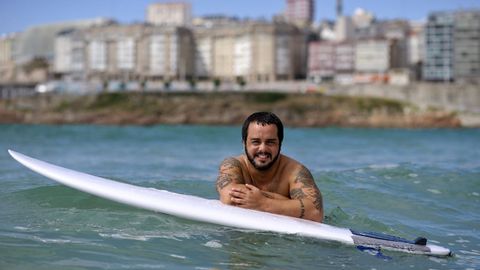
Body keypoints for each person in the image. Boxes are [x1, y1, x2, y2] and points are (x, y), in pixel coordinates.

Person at [216, 112, 323, 222]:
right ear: (244, 143)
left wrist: (263, 203)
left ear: (280, 144)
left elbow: (315, 212)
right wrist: (286, 202)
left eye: (270, 142)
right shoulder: (233, 165)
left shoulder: (296, 171)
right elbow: (229, 198)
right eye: (255, 142)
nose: (263, 149)